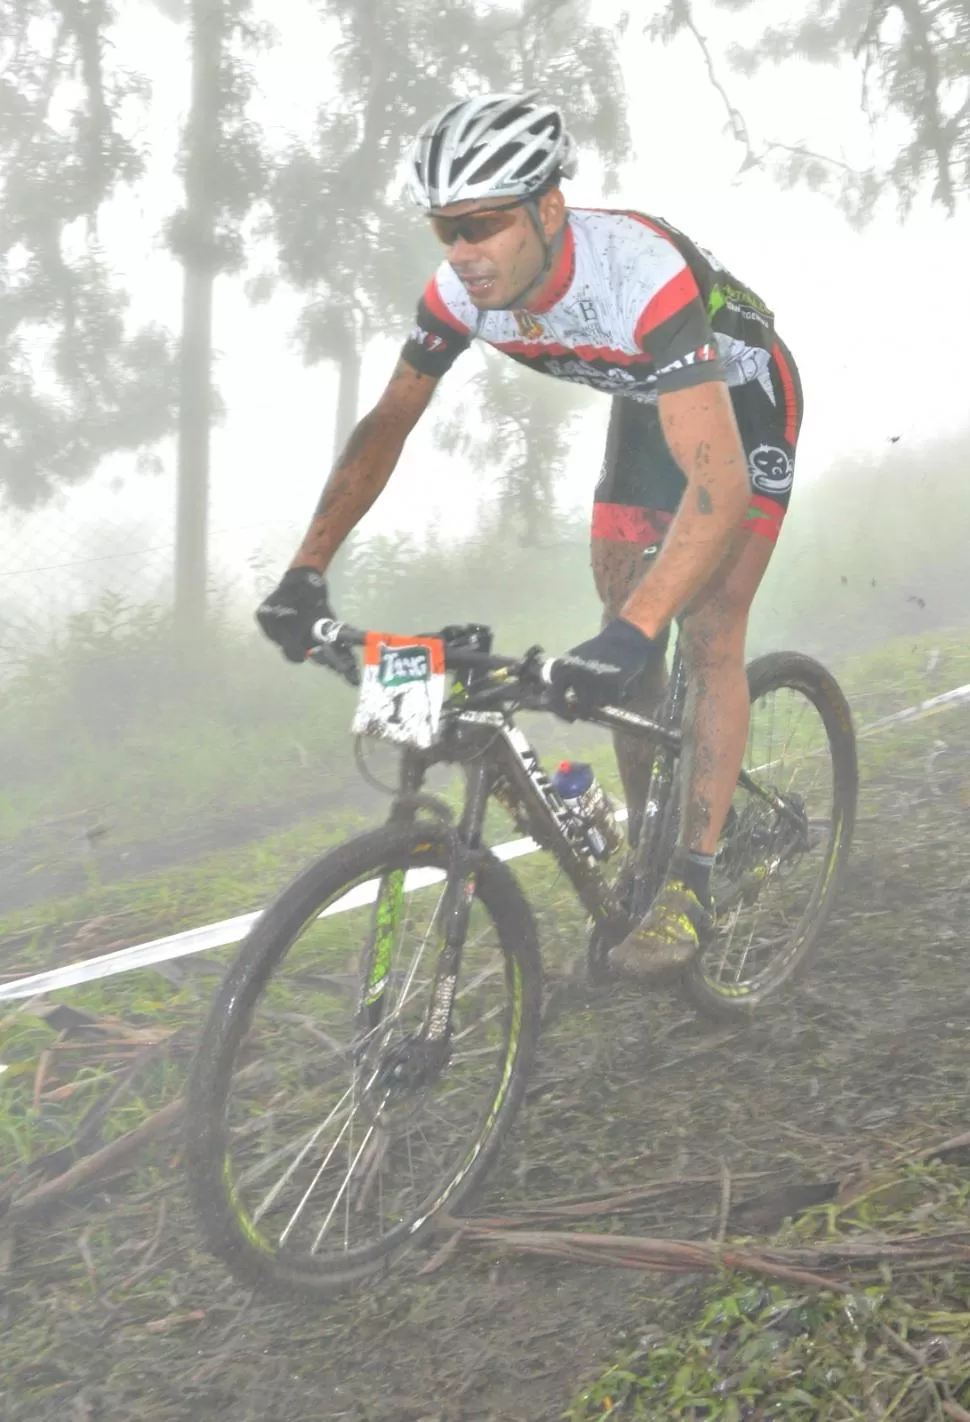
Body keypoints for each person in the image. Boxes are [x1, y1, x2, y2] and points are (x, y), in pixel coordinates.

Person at [256, 91, 804, 979]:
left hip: (740, 404)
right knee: (623, 614)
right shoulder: (462, 295)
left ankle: (693, 882)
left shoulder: (636, 272)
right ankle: (649, 844)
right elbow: (389, 423)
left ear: (548, 208)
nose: (464, 253)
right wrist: (304, 573)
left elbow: (720, 479)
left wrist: (635, 632)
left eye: (483, 224)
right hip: (646, 409)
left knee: (704, 631)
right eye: (445, 229)